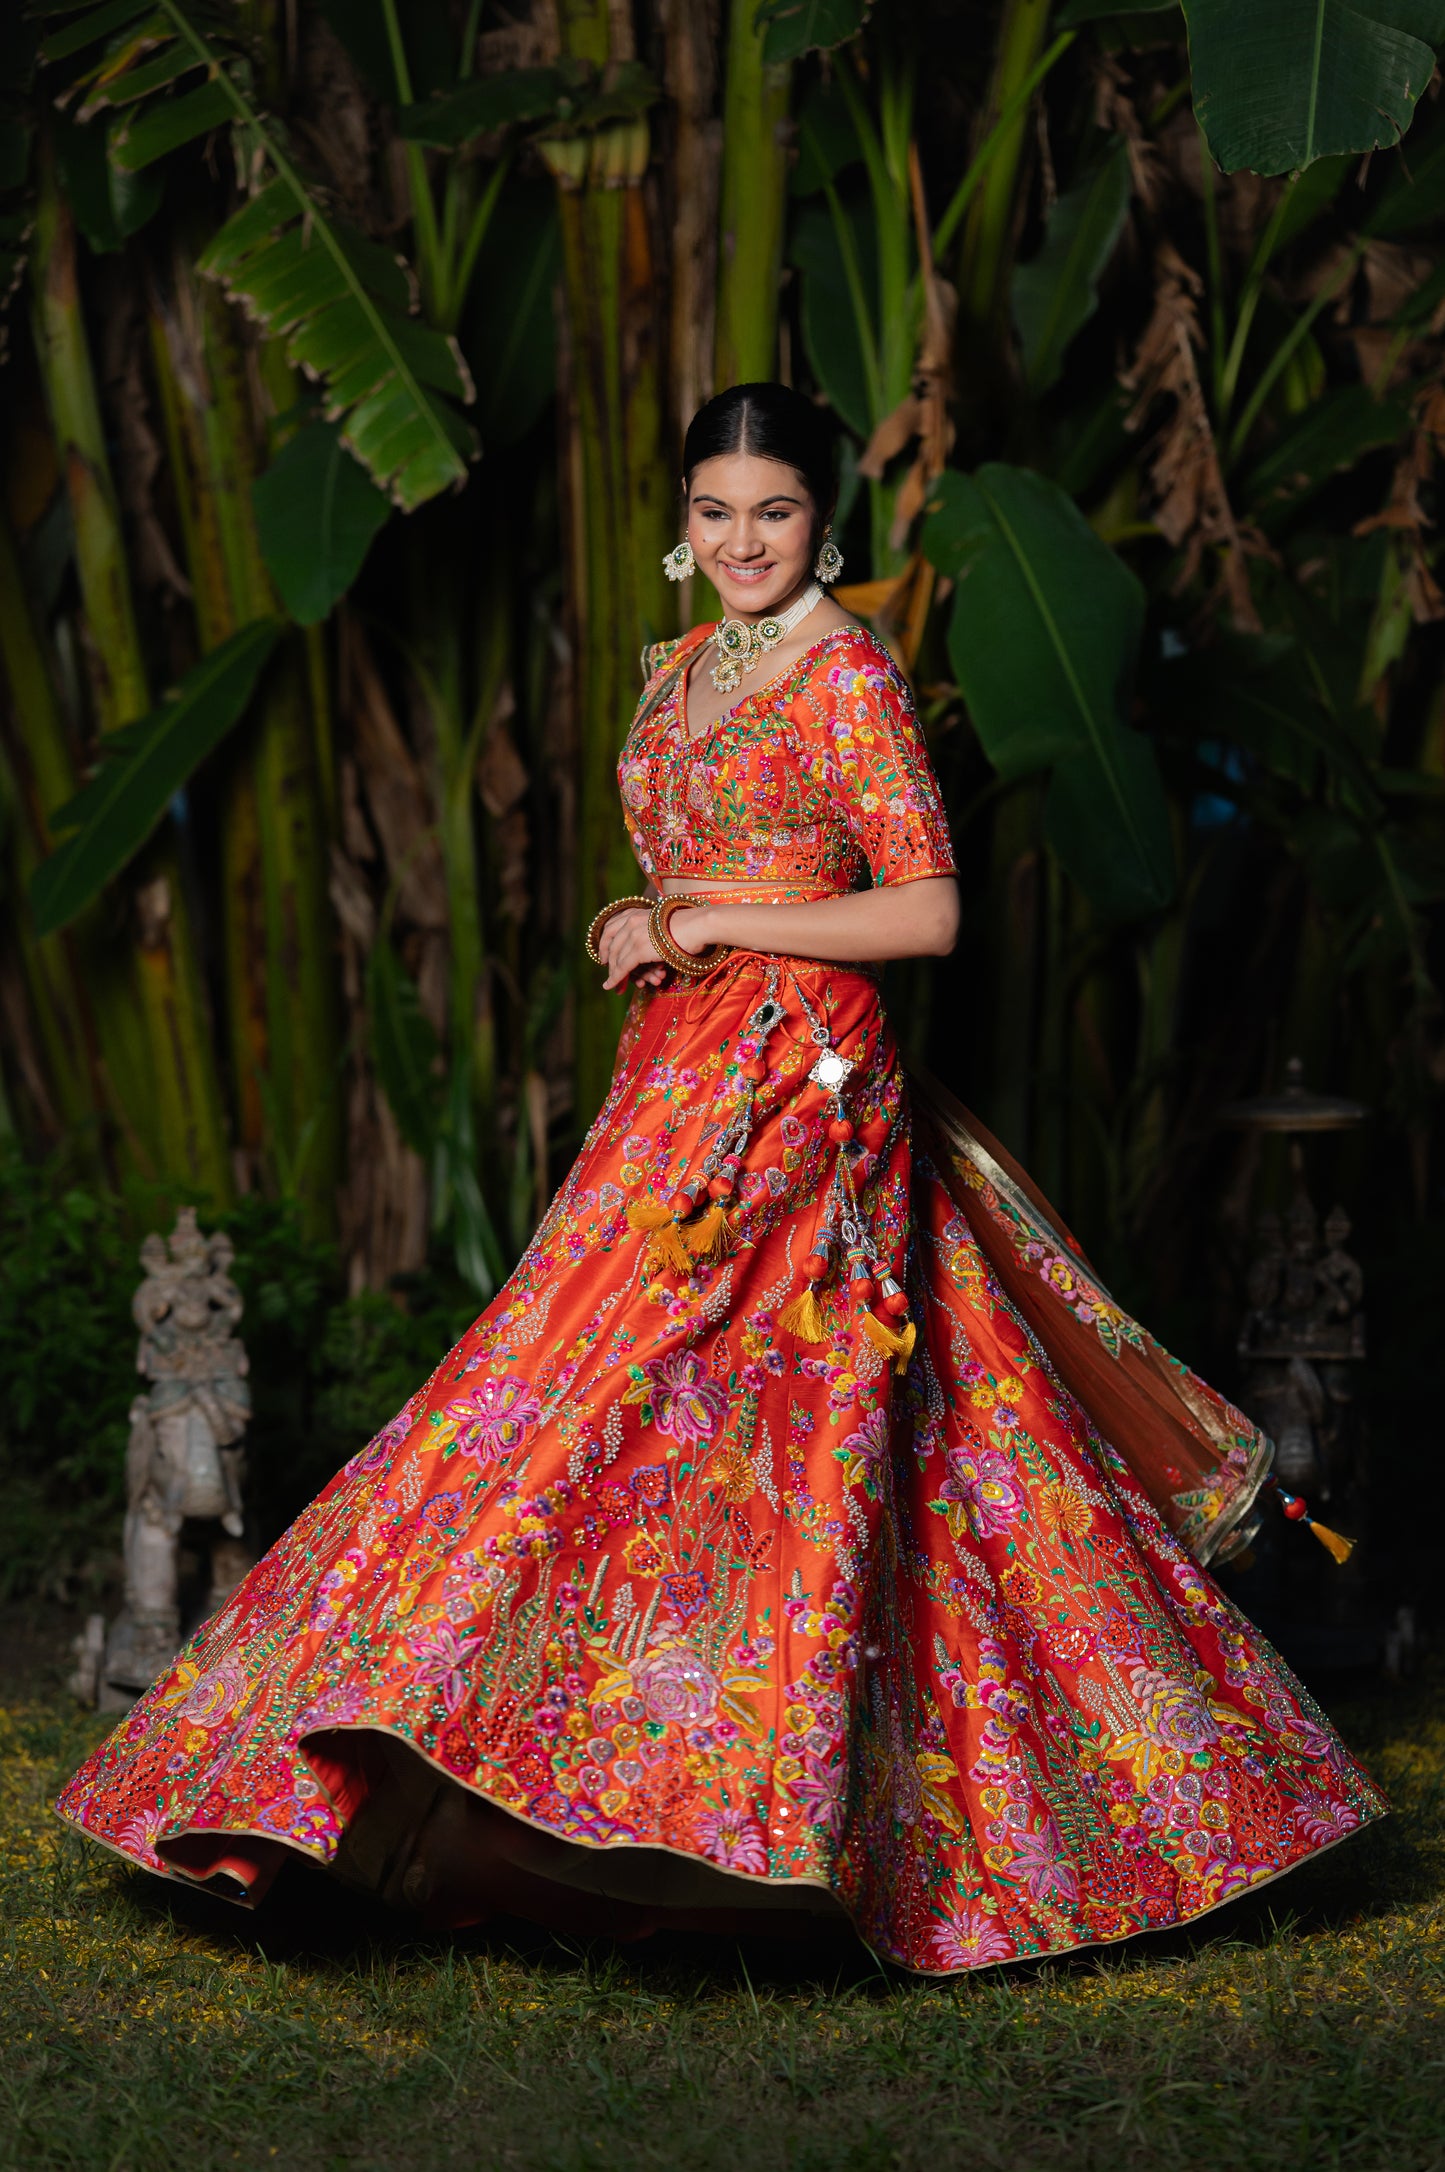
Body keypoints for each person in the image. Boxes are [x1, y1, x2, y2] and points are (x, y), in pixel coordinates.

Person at [57, 384, 1384, 1973]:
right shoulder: (686, 663)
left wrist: (700, 922)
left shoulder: (845, 672)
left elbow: (923, 914)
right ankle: (440, 1778)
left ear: (823, 519)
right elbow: (705, 866)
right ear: (682, 523)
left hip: (800, 1093)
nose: (743, 540)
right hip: (680, 1076)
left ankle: (707, 1831)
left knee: (724, 1421)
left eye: (774, 511)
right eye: (714, 511)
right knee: (604, 1404)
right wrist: (650, 920)